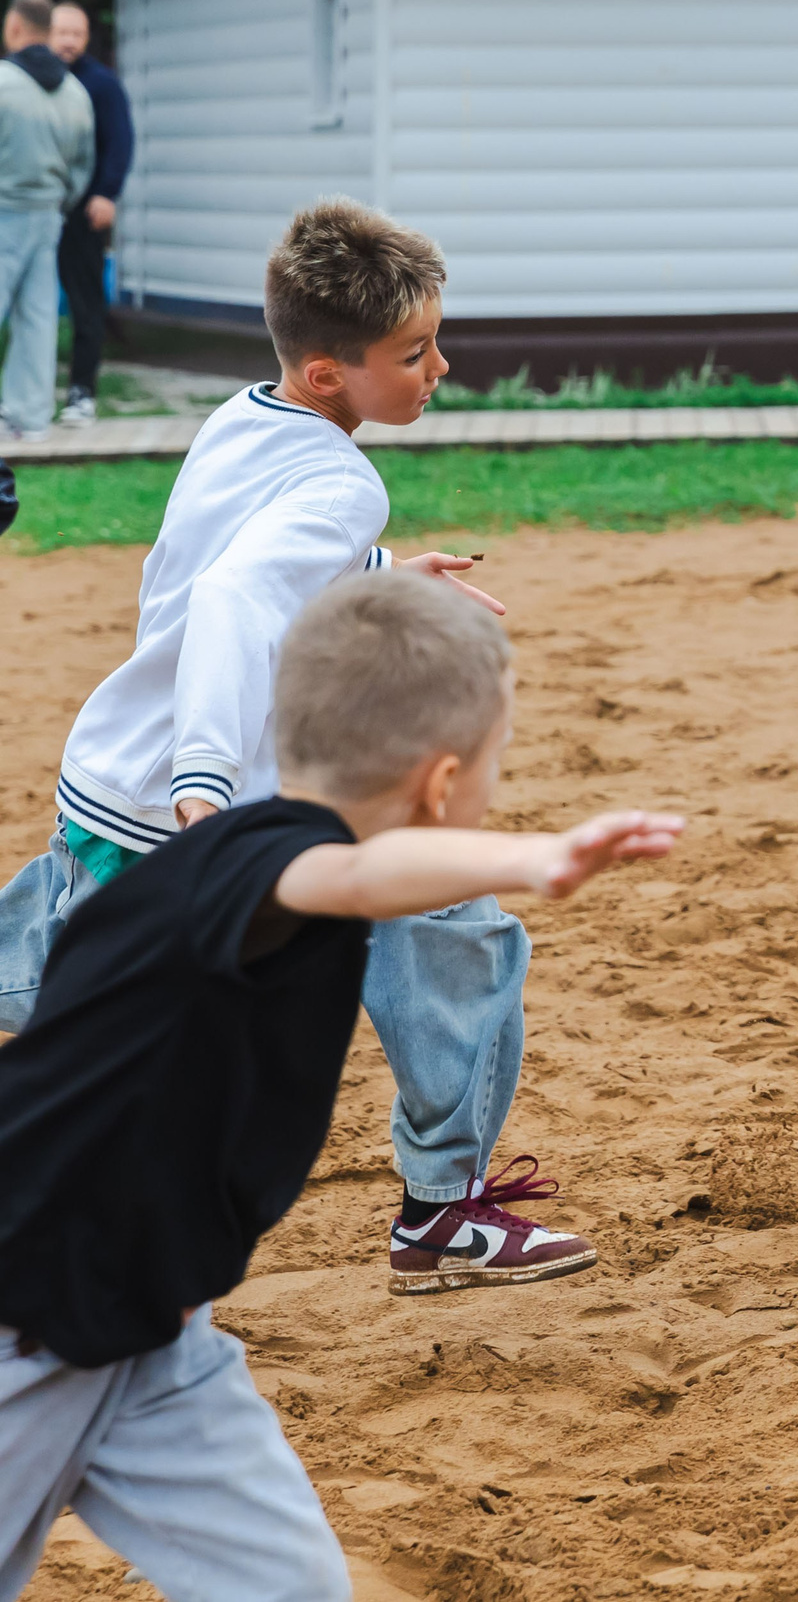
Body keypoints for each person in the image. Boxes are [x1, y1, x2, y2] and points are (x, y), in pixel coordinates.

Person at [0, 570, 684, 1602]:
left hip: (158, 1339)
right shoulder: (267, 866)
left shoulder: (230, 849)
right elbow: (351, 877)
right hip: (32, 1327)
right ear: (441, 783)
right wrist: (538, 857)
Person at [0, 198, 597, 1296]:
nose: (439, 367)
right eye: (413, 354)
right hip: (200, 798)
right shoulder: (341, 478)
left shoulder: (246, 415)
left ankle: (441, 1210)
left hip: (113, 778)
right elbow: (234, 594)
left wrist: (372, 575)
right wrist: (204, 789)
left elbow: (247, 557)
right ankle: (443, 1216)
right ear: (331, 374)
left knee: (56, 981)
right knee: (451, 928)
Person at [0, 0, 92, 442]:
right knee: (37, 317)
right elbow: (83, 164)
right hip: (49, 215)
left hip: (4, 210)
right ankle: (30, 417)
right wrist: (60, 200)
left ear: (15, 27)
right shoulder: (75, 92)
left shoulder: (2, 82)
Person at [48, 0, 131, 430]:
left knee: (85, 304)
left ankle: (82, 391)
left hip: (85, 211)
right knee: (35, 305)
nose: (68, 41)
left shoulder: (102, 85)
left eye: (76, 34)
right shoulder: (31, 80)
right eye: (61, 32)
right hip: (42, 210)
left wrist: (107, 194)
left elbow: (120, 143)